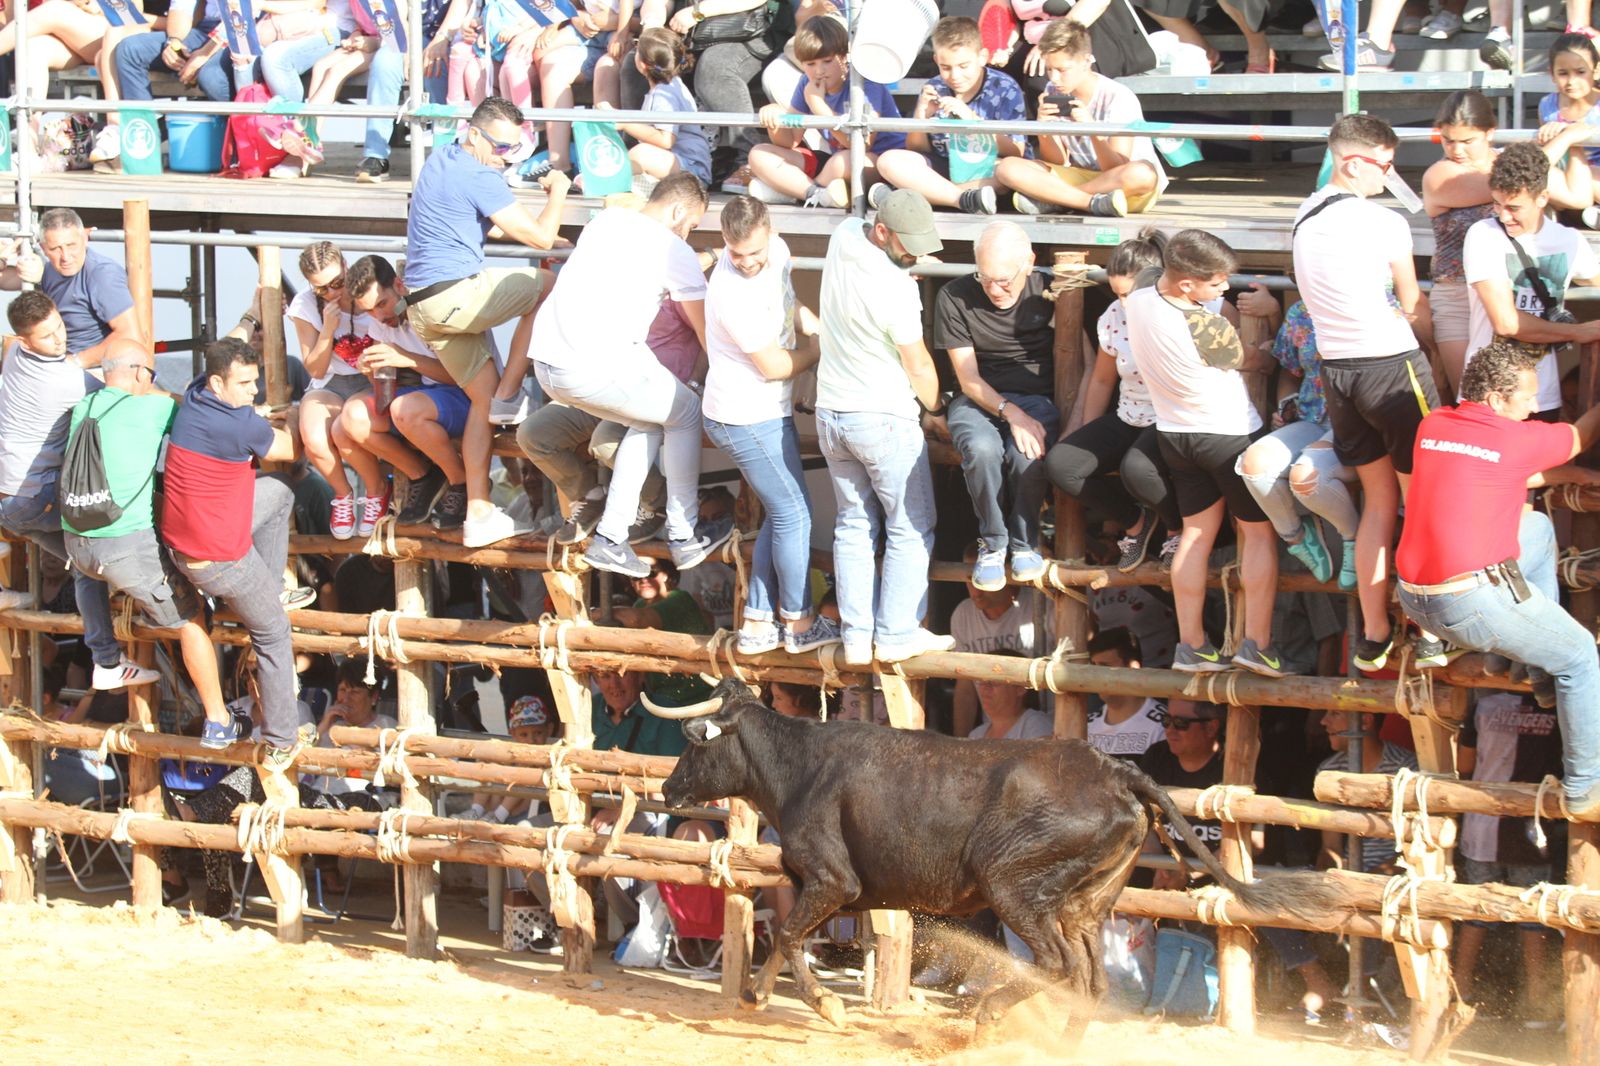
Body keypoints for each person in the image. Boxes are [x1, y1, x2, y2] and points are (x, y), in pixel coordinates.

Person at [1397, 341, 1600, 819]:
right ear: (1494, 398)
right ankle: (1584, 787)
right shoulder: (1514, 440)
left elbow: (1512, 476)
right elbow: (1579, 434)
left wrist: (1571, 472)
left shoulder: (1435, 426)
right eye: (1527, 398)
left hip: (1416, 596)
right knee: (1581, 658)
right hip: (1467, 601)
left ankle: (1531, 667)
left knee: (1535, 528)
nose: (1534, 407)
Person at [1292, 113, 1436, 673]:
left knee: (1379, 502)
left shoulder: (1304, 214)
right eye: (1384, 165)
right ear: (1353, 161)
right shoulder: (1383, 223)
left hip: (1339, 374)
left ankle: (1374, 633)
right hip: (1391, 366)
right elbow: (1412, 304)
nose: (1388, 176)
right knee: (1421, 502)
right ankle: (1428, 630)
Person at [530, 173, 728, 578]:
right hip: (591, 367)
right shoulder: (674, 250)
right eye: (691, 224)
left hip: (547, 365)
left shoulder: (605, 221)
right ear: (677, 211)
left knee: (653, 417)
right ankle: (684, 534)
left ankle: (612, 538)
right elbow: (707, 333)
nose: (688, 234)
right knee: (686, 411)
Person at [403, 95, 568, 548]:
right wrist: (558, 192)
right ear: (474, 133)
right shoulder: (479, 173)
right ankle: (512, 394)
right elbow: (540, 238)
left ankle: (479, 512)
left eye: (514, 150)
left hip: (423, 306)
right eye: (500, 147)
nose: (505, 158)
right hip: (455, 295)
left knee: (480, 400)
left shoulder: (442, 159)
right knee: (551, 285)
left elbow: (485, 223)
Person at [61, 339, 238, 746]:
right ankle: (217, 718)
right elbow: (202, 413)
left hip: (78, 544)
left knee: (88, 576)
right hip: (124, 546)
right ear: (141, 373)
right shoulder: (154, 407)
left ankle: (105, 659)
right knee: (189, 620)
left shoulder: (85, 406)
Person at [1129, 230, 1286, 677]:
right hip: (1228, 435)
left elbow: (1154, 273)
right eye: (1216, 282)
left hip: (1176, 435)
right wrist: (1270, 345)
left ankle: (1192, 646)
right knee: (1256, 535)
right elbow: (1252, 361)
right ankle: (1257, 644)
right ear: (1186, 285)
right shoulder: (1209, 326)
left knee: (1195, 536)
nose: (1224, 290)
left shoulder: (1141, 296)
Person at [701, 195, 839, 656]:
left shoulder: (776, 252)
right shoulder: (727, 293)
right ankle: (798, 625)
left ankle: (759, 623)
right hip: (744, 417)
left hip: (765, 412)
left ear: (769, 233)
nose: (745, 263)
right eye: (735, 253)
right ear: (724, 241)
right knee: (795, 516)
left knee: (783, 515)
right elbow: (776, 366)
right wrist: (818, 350)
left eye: (754, 252)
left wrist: (816, 326)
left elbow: (787, 298)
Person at [816, 189, 948, 667]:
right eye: (908, 245)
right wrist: (938, 408)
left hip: (832, 413)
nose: (914, 255)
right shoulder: (899, 289)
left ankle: (856, 635)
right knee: (911, 526)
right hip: (883, 417)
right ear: (882, 231)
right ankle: (896, 632)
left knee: (853, 524)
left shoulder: (843, 237)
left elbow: (863, 201)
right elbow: (918, 364)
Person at [0, 291, 158, 689]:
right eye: (48, 337)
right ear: (24, 341)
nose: (60, 339)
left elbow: (68, 357)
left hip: (9, 502)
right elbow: (122, 393)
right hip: (35, 498)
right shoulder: (67, 383)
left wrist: (74, 355)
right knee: (92, 549)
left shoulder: (13, 357)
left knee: (84, 560)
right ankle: (106, 661)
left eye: (59, 327)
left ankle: (107, 661)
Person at [162, 338, 306, 774]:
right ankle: (282, 739)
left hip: (188, 539)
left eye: (255, 382)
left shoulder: (194, 397)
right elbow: (290, 450)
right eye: (244, 384)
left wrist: (253, 413)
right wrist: (297, 415)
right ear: (218, 381)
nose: (253, 392)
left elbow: (250, 425)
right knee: (274, 633)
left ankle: (272, 585)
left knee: (279, 492)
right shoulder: (238, 425)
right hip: (219, 557)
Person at [1046, 228, 1180, 574]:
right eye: (1117, 293)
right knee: (1062, 463)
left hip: (1171, 419)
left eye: (1129, 293)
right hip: (1128, 414)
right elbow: (1104, 378)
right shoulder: (1113, 317)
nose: (1124, 302)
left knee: (1137, 469)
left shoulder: (1185, 310)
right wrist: (1089, 435)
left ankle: (1176, 529)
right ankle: (1137, 524)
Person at [934, 221, 1056, 591]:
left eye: (1004, 279)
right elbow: (968, 379)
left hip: (1039, 395)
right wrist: (1012, 414)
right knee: (981, 449)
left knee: (1026, 454)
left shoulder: (1051, 288)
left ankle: (1023, 543)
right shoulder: (954, 295)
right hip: (977, 397)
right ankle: (992, 541)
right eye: (985, 278)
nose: (994, 289)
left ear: (1029, 263)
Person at [1463, 141, 1600, 420]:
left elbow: (1594, 278)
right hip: (1491, 395)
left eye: (1514, 207)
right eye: (1497, 203)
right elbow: (1506, 322)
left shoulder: (1569, 240)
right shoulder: (1483, 234)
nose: (1503, 215)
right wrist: (1576, 332)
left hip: (1540, 396)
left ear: (1542, 198)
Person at [341, 254, 476, 529]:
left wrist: (404, 358)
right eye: (369, 311)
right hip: (427, 396)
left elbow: (466, 377)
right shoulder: (380, 321)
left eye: (382, 304)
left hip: (469, 395)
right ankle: (424, 476)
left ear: (399, 286)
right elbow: (386, 386)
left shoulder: (431, 309)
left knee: (405, 410)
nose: (379, 316)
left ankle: (461, 482)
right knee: (351, 418)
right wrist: (369, 367)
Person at [1235, 289, 1356, 589]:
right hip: (1312, 416)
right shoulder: (1301, 312)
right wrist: (1286, 402)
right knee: (1254, 465)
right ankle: (1299, 537)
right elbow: (1290, 371)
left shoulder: (1377, 303)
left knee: (1307, 477)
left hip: (1356, 423)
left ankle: (1354, 540)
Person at [1453, 692, 1562, 1022]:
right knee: (1533, 915)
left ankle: (1460, 990)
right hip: (1534, 826)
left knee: (1476, 911)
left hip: (1483, 824)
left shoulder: (1485, 705)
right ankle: (1537, 1001)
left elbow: (1464, 765)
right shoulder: (1555, 703)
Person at [993, 21, 1164, 219]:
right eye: (1049, 69)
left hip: (1122, 185)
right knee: (1008, 167)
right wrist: (1043, 129)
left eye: (1062, 70)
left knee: (1142, 174)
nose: (1054, 78)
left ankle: (1057, 201)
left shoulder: (1118, 97)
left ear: (1086, 61)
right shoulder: (1053, 91)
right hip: (1085, 180)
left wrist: (1092, 130)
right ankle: (1085, 203)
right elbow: (1056, 161)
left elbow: (1117, 167)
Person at [868, 16, 1027, 217]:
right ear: (936, 61)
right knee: (889, 161)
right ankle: (961, 200)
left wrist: (972, 120)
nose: (955, 76)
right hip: (942, 167)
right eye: (946, 68)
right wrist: (922, 117)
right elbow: (917, 148)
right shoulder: (935, 87)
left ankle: (923, 195)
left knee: (1007, 173)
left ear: (982, 56)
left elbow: (1016, 151)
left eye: (963, 66)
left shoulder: (1005, 88)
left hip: (985, 168)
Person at [747, 13, 904, 208]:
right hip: (833, 163)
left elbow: (862, 144)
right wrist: (775, 119)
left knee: (842, 161)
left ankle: (798, 193)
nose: (819, 71)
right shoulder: (807, 82)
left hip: (878, 162)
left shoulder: (863, 81)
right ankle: (817, 194)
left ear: (844, 56)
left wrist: (818, 106)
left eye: (827, 61)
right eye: (810, 64)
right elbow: (791, 141)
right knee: (759, 153)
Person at [286, 240, 386, 540]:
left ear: (346, 266)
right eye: (321, 289)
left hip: (370, 381)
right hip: (330, 382)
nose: (332, 293)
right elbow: (315, 369)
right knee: (314, 437)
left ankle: (375, 491)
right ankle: (342, 496)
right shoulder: (305, 305)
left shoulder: (367, 292)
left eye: (337, 283)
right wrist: (328, 328)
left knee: (346, 431)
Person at [1422, 90, 1499, 396]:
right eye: (1448, 139)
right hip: (1457, 297)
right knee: (1469, 397)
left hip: (1506, 293)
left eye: (1467, 141)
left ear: (1489, 134)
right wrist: (1560, 142)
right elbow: (1511, 183)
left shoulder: (1507, 161)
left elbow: (1573, 193)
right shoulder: (1439, 174)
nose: (1456, 149)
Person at [950, 543, 1053, 738]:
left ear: (1007, 576)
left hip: (1043, 725)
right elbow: (965, 687)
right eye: (970, 579)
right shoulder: (963, 615)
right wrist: (960, 745)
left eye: (983, 579)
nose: (975, 589)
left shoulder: (1040, 604)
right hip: (992, 730)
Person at [26, 208, 146, 364]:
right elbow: (7, 280)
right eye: (55, 249)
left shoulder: (102, 274)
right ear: (43, 249)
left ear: (85, 238)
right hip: (56, 362)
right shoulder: (48, 270)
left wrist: (75, 362)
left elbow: (130, 335)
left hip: (97, 369)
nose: (66, 257)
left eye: (71, 245)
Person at [603, 27, 713, 189]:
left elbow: (666, 139)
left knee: (640, 153)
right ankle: (623, 182)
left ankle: (605, 181)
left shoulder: (664, 94)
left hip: (691, 169)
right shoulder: (670, 85)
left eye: (636, 47)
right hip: (677, 164)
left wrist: (625, 123)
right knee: (631, 157)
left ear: (642, 64)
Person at [1537, 33, 1600, 222]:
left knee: (1591, 178)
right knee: (1538, 176)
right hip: (1569, 178)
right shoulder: (1547, 106)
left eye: (1580, 72)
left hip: (1594, 177)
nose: (1572, 81)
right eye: (1563, 73)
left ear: (1595, 71)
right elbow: (1547, 157)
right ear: (1552, 74)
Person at [1085, 628, 1166, 760]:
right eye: (1094, 667)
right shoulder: (1086, 725)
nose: (1096, 676)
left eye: (1104, 666)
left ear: (1133, 669)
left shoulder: (1163, 726)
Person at [967, 652, 1052, 739]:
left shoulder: (1037, 726)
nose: (984, 687)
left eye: (994, 681)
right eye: (981, 680)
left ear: (1021, 688)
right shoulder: (976, 735)